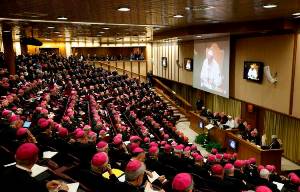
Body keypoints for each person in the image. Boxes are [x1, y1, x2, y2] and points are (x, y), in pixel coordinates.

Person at [0, 143, 67, 192]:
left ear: (15, 156)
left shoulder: (5, 169)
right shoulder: (32, 184)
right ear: (36, 159)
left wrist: (46, 185)